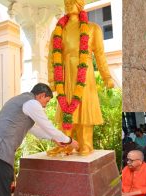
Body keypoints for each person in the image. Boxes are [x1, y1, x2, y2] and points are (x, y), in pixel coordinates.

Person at [0, 83, 79, 196]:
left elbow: (33, 129)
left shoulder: (20, 100)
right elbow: (47, 126)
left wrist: (53, 139)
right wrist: (69, 140)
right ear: (41, 96)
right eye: (46, 101)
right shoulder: (32, 103)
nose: (45, 106)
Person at [47, 0, 114, 155]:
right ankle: (65, 143)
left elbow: (100, 55)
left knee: (85, 108)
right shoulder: (58, 31)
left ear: (80, 4)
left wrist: (107, 77)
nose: (69, 4)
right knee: (66, 107)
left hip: (85, 74)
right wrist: (52, 79)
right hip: (65, 73)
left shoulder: (92, 28)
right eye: (67, 2)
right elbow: (51, 57)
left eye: (73, 1)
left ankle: (86, 145)